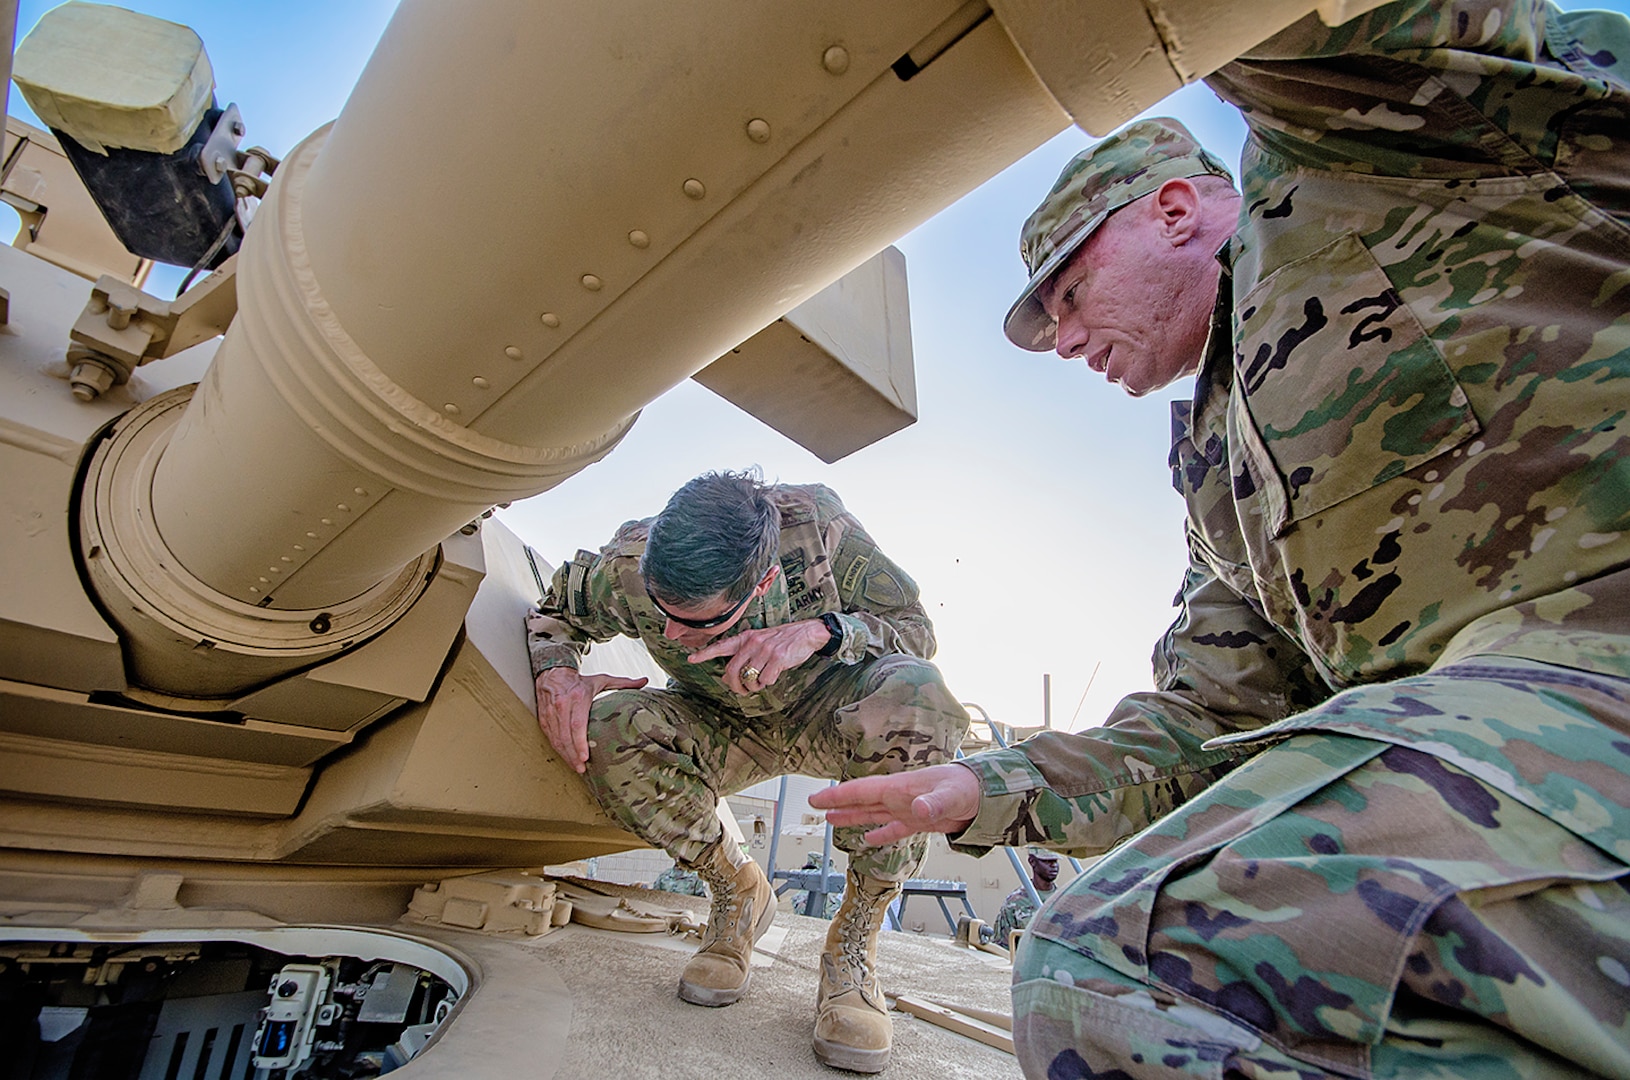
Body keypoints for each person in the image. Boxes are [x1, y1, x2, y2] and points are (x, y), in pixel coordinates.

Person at [812, 3, 1630, 1076]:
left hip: (1593, 683)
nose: (1060, 341)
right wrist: (983, 788)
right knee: (1105, 966)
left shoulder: (1367, 153)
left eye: (1067, 292)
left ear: (1176, 210)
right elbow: (1205, 723)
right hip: (1498, 749)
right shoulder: (1214, 476)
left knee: (1137, 968)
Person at [526, 470, 968, 1073]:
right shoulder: (628, 563)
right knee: (608, 729)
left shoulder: (820, 529)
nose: (675, 635)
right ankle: (736, 893)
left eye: (700, 622)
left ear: (760, 583)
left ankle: (855, 938)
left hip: (829, 712)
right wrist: (556, 672)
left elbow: (916, 633)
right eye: (663, 614)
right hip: (721, 721)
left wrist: (824, 631)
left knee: (918, 693)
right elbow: (555, 611)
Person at [990, 848, 1059, 948]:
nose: (1053, 866)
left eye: (1055, 861)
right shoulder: (1015, 902)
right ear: (1032, 861)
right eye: (1047, 861)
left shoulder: (1063, 898)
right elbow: (1003, 947)